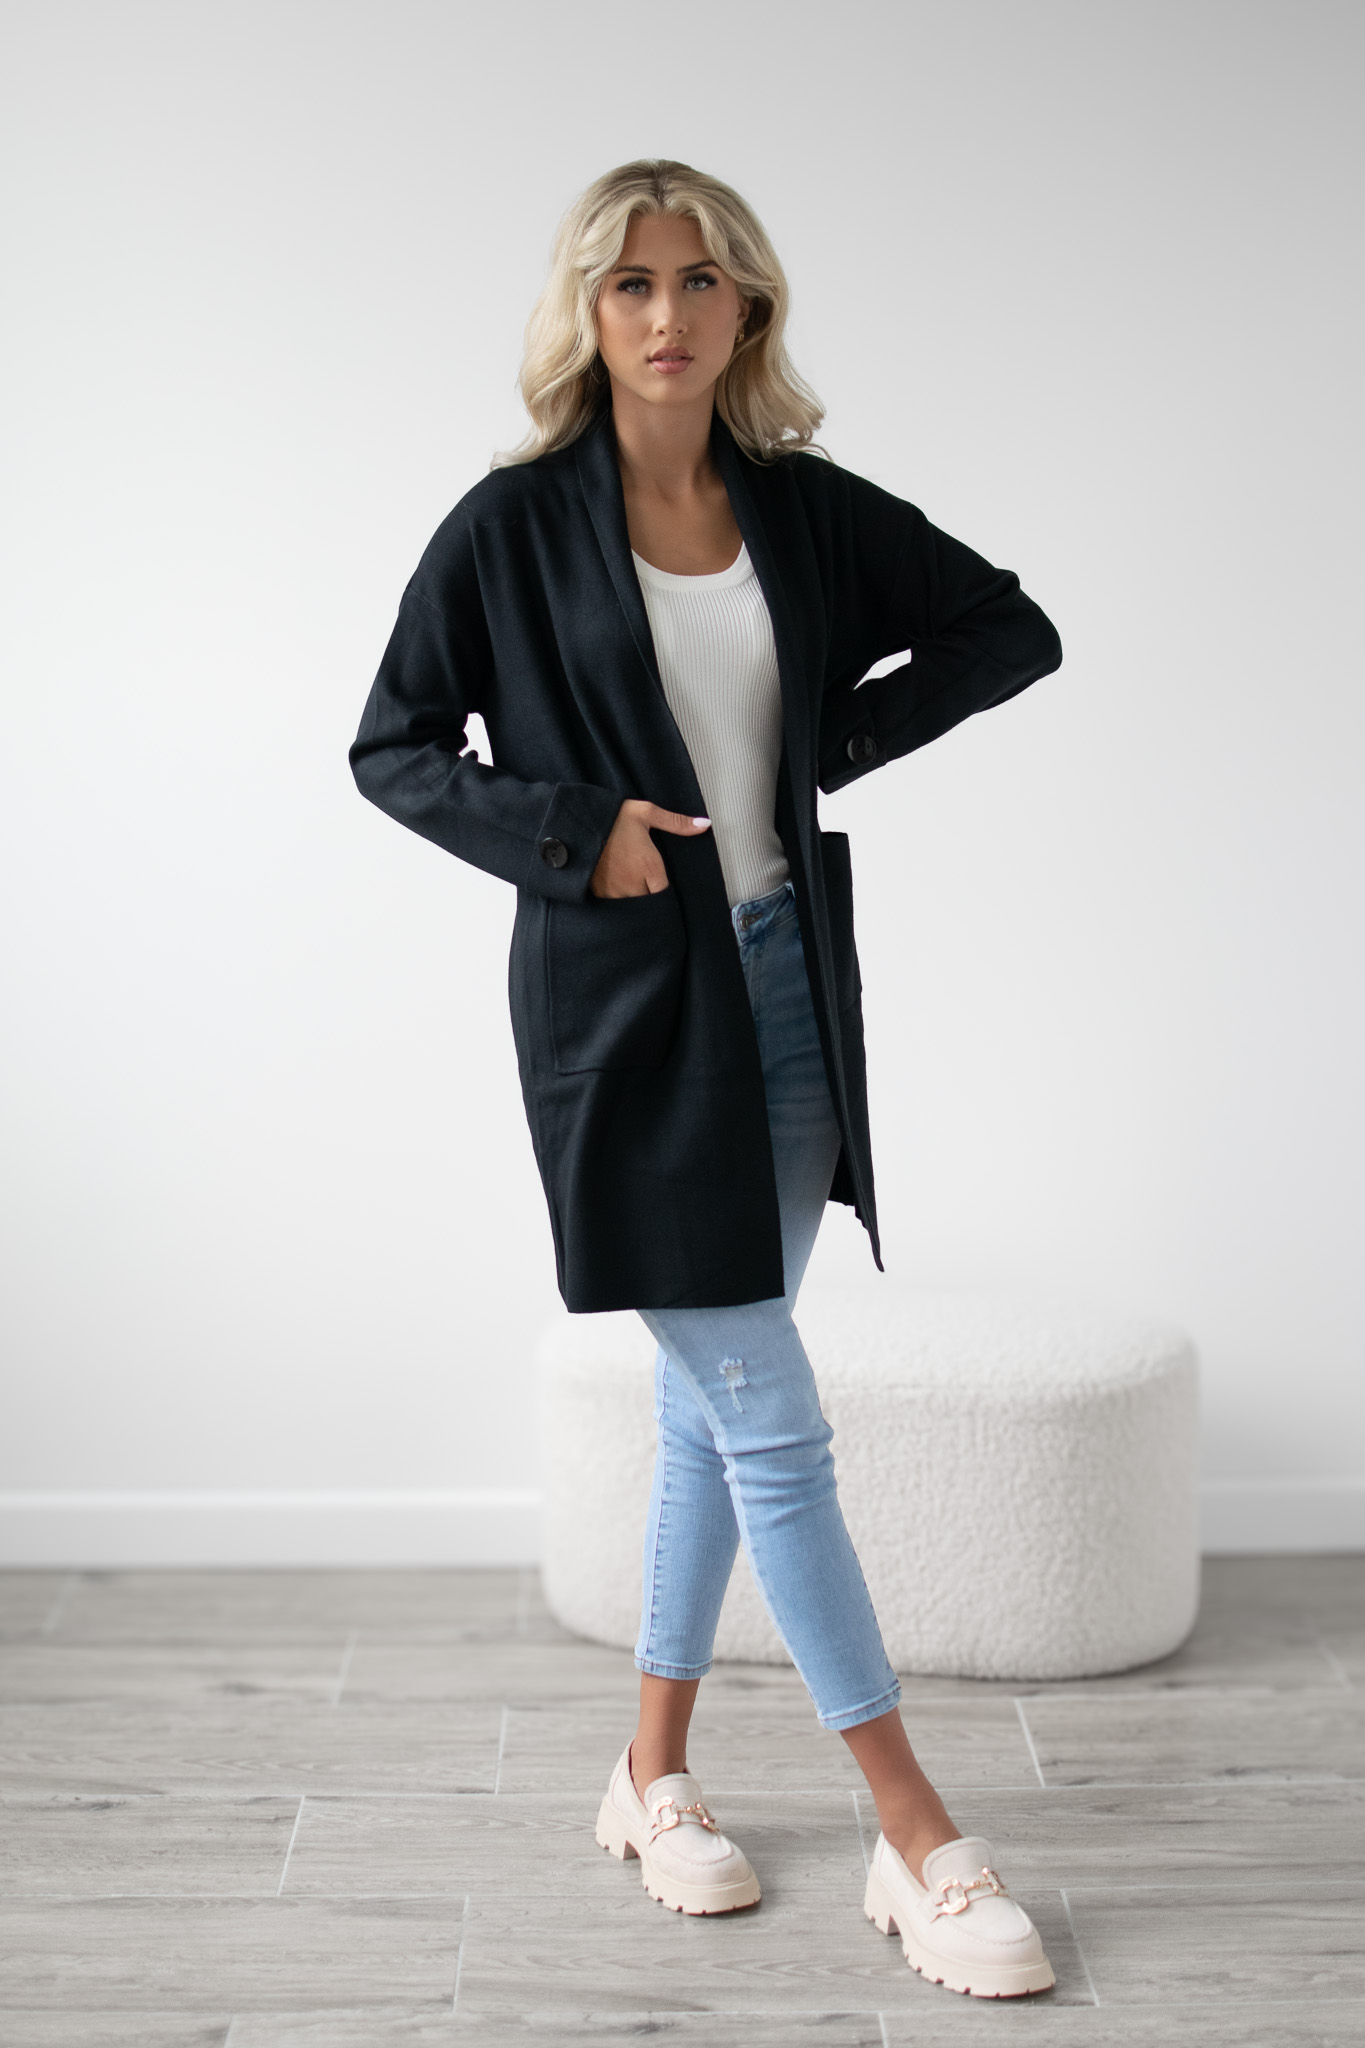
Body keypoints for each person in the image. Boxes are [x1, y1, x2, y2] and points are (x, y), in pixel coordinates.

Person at [350, 159, 1063, 1999]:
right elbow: (394, 746)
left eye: (698, 280)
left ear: (746, 307)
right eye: (629, 282)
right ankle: (915, 1833)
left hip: (789, 992)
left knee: (708, 1416)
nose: (664, 315)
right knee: (768, 1417)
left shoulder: (800, 511)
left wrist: (831, 734)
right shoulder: (509, 529)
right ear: (586, 311)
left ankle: (649, 1776)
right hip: (629, 1020)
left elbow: (1006, 626)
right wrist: (571, 830)